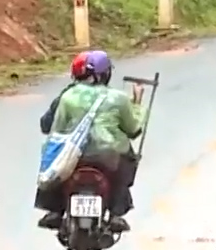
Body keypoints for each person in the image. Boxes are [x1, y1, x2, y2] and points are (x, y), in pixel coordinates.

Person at [35, 50, 143, 232]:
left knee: (54, 163)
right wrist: (137, 104)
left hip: (74, 156)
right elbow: (133, 129)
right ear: (105, 74)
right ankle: (116, 213)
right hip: (108, 156)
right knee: (127, 163)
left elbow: (56, 131)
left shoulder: (68, 96)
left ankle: (54, 210)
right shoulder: (119, 98)